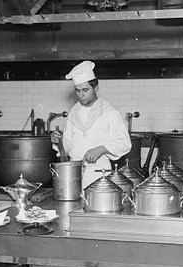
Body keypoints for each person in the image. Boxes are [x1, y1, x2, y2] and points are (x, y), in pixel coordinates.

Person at [50, 60, 132, 189]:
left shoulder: (109, 112)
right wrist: (58, 142)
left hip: (99, 173)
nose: (81, 95)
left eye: (85, 90)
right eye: (77, 91)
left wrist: (102, 148)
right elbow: (67, 146)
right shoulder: (74, 113)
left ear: (96, 88)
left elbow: (124, 143)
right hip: (73, 173)